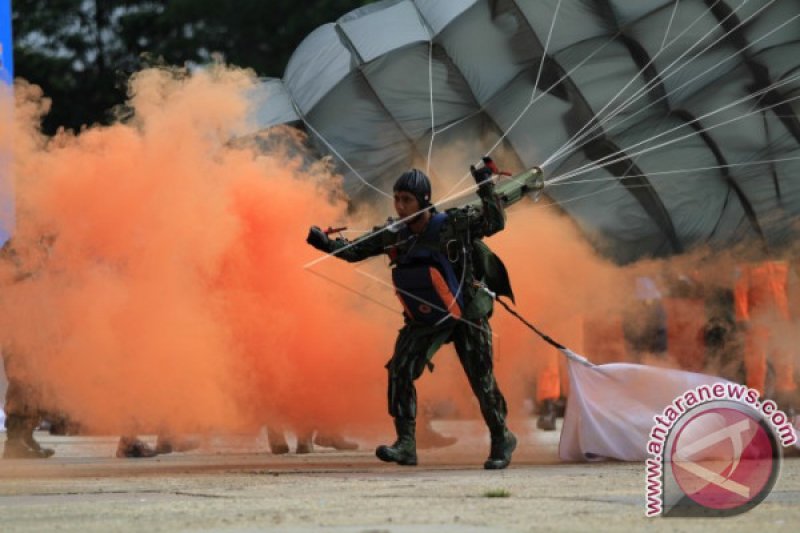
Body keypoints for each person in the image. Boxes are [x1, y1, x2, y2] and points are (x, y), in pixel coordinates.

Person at [306, 160, 516, 469]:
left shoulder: (453, 223)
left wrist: (485, 184)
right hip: (428, 317)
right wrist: (325, 243)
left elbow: (495, 222)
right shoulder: (395, 234)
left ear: (424, 201)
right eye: (397, 199)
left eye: (408, 200)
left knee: (481, 379)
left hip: (467, 311)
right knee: (400, 369)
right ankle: (406, 444)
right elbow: (355, 251)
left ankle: (501, 437)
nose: (401, 206)